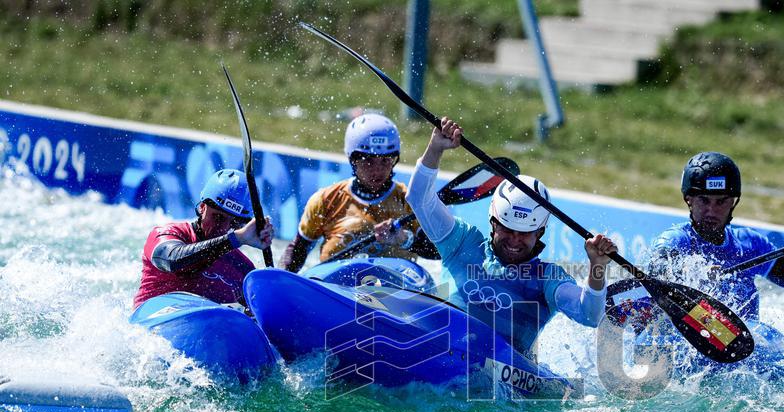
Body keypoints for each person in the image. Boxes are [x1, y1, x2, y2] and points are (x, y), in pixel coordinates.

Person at [405, 118, 618, 355]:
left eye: (525, 233)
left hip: (499, 380)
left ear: (540, 232)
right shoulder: (462, 243)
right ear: (493, 222)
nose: (515, 240)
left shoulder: (547, 278)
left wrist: (597, 267)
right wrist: (435, 148)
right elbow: (419, 200)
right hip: (440, 351)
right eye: (507, 229)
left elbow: (589, 315)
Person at [649, 152, 784, 321]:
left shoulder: (750, 244)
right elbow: (657, 280)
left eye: (721, 202)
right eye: (704, 200)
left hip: (745, 350)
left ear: (733, 202)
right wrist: (696, 275)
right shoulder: (674, 241)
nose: (711, 211)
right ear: (688, 200)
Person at [281, 113, 439, 272]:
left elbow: (438, 252)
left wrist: (404, 239)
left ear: (394, 160)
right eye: (368, 160)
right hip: (336, 289)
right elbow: (297, 251)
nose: (377, 170)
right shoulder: (325, 200)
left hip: (394, 291)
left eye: (385, 160)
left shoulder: (410, 200)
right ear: (352, 160)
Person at [133, 169, 273, 309]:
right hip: (145, 325)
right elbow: (171, 261)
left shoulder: (242, 268)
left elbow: (264, 315)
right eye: (218, 217)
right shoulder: (167, 234)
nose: (224, 228)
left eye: (234, 223)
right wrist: (236, 238)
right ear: (202, 207)